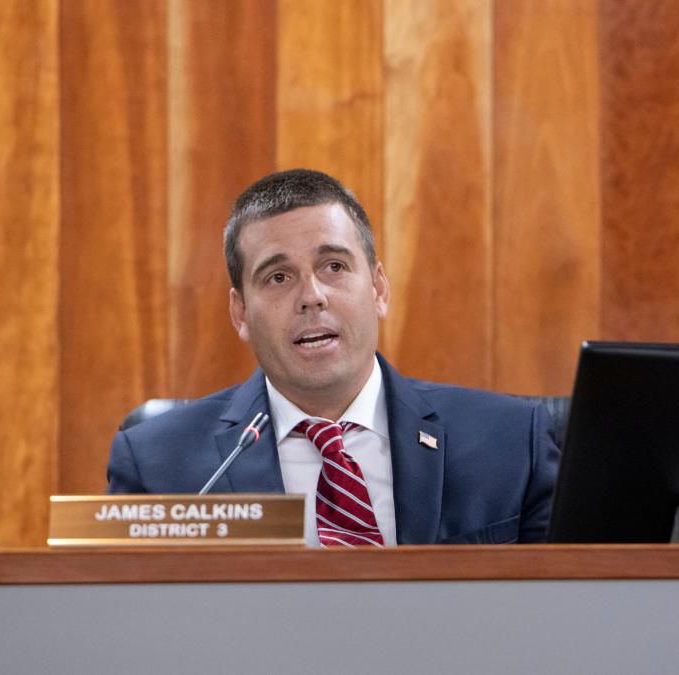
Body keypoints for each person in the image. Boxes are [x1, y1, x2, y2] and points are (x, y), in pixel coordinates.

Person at [107, 168, 560, 545]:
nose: (312, 296)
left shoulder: (511, 443)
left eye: (335, 267)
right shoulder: (159, 465)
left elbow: (561, 615)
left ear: (379, 289)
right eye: (279, 277)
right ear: (240, 312)